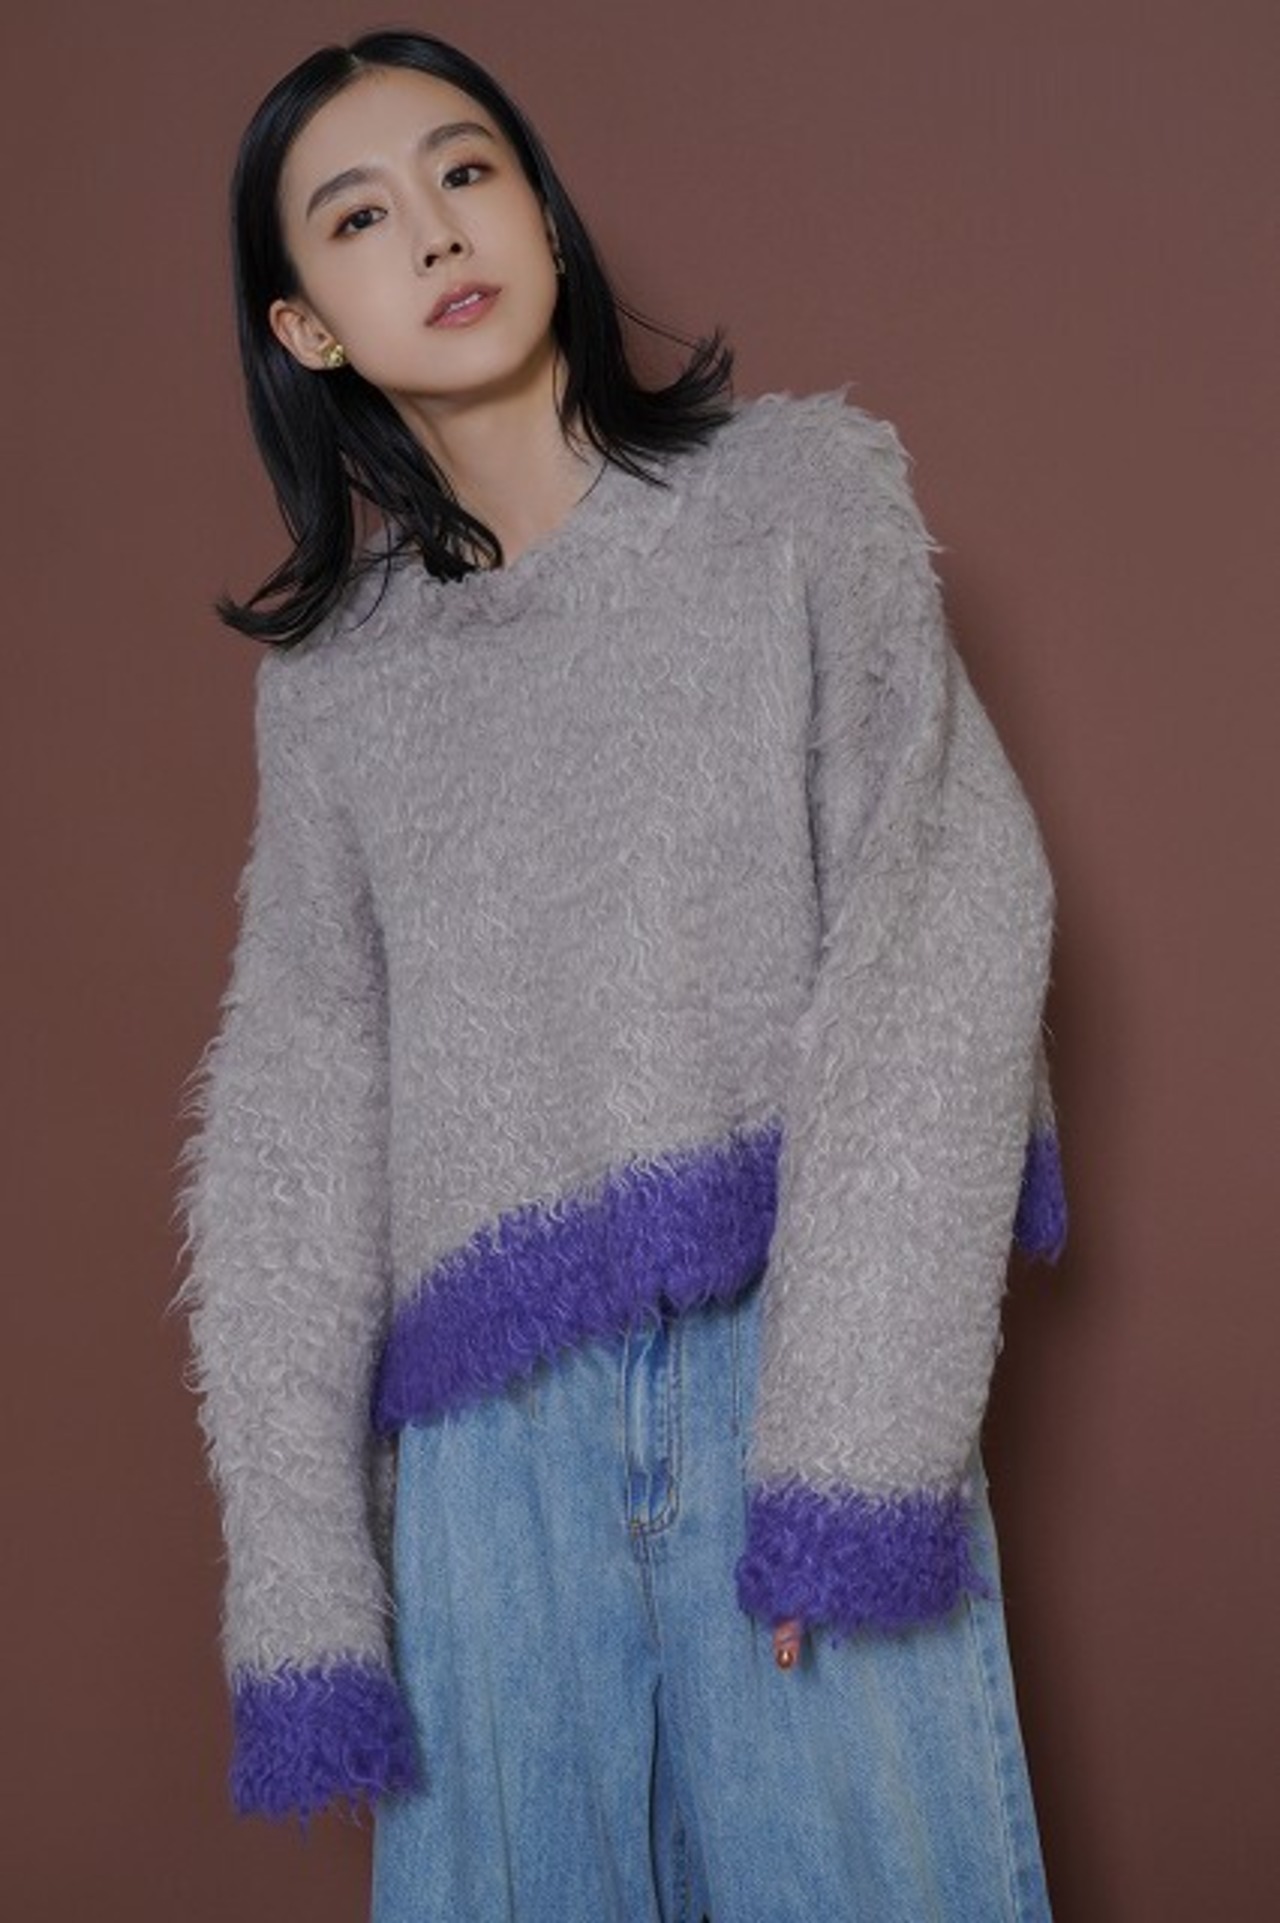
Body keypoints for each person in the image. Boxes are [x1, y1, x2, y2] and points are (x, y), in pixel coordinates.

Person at [173, 27, 1069, 1923]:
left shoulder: (802, 503)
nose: (436, 228)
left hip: (790, 1367)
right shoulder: (334, 691)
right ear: (306, 326)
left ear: (546, 217)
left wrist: (848, 1460)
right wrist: (308, 1590)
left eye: (467, 171)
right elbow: (297, 1120)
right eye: (360, 214)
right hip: (487, 1476)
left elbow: (941, 940)